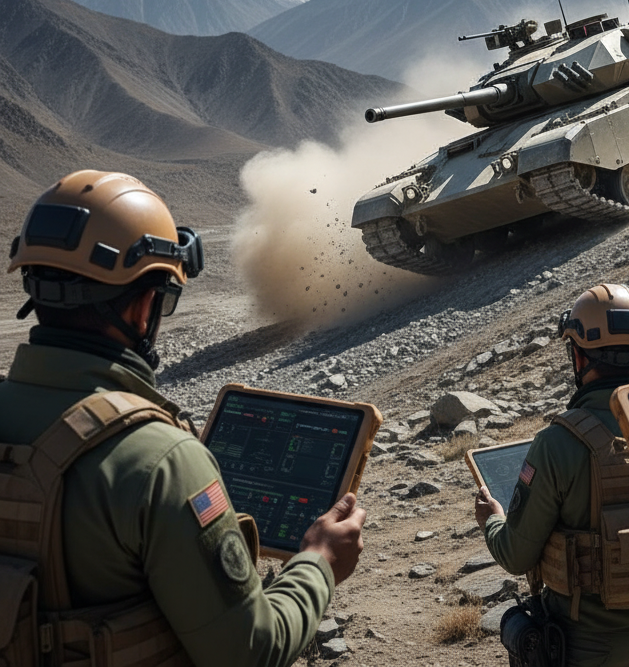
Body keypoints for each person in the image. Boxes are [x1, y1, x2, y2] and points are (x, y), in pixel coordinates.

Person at [0, 170, 366, 667]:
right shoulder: (160, 461)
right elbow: (251, 650)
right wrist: (321, 561)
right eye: (164, 300)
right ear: (143, 305)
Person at [474, 283, 629, 666]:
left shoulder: (557, 443)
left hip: (583, 647)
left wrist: (492, 522)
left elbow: (517, 556)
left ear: (580, 359)